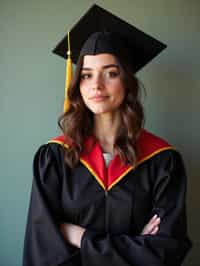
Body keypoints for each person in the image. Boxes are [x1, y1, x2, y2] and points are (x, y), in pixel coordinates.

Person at [23, 4, 192, 266]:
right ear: (78, 84)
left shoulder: (163, 162)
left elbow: (166, 252)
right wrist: (134, 246)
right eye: (87, 75)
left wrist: (79, 236)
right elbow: (43, 250)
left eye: (111, 73)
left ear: (127, 81)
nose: (96, 86)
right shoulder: (55, 157)